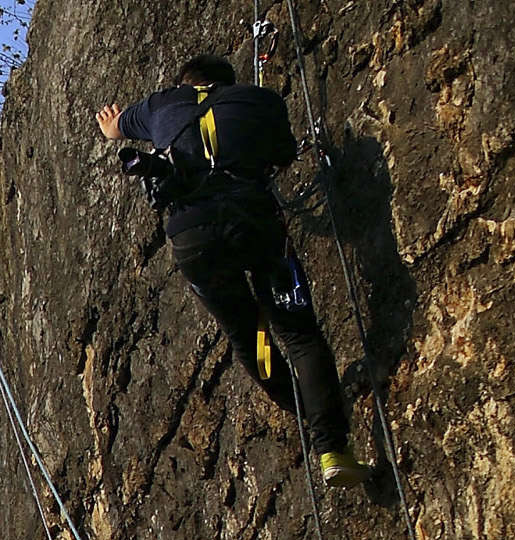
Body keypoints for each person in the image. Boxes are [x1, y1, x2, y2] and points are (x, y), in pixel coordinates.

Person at [96, 54, 368, 487]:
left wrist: (112, 130)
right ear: (228, 82)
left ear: (184, 84)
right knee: (298, 333)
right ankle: (331, 446)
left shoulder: (160, 105)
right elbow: (282, 153)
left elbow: (116, 126)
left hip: (195, 239)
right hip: (254, 224)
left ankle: (306, 411)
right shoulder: (261, 100)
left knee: (251, 336)